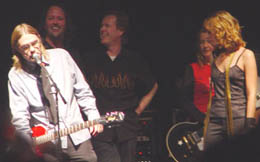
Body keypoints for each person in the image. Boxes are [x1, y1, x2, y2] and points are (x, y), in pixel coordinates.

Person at [8, 23, 103, 162]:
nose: (32, 50)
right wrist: (27, 144)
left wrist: (93, 115)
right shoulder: (16, 74)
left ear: (39, 38)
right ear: (17, 50)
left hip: (76, 136)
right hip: (47, 144)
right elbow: (20, 115)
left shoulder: (62, 57)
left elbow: (82, 90)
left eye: (34, 43)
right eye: (25, 47)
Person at [83, 10, 158, 162]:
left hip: (127, 129)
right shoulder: (91, 59)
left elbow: (153, 86)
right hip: (101, 129)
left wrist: (137, 111)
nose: (102, 29)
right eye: (101, 26)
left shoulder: (134, 59)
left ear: (120, 31)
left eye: (107, 26)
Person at [202, 10, 257, 155]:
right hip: (215, 118)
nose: (208, 37)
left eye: (210, 32)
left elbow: (252, 93)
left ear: (221, 31)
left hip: (237, 117)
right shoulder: (216, 56)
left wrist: (249, 122)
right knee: (210, 155)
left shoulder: (246, 55)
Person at [180, 29, 215, 124]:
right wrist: (201, 118)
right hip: (199, 121)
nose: (205, 45)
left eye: (209, 41)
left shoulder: (221, 67)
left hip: (218, 119)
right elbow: (184, 99)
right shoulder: (192, 68)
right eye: (202, 42)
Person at [38, 2, 83, 70]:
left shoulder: (73, 54)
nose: (55, 22)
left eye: (60, 19)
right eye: (51, 18)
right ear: (44, 23)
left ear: (66, 23)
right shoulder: (38, 49)